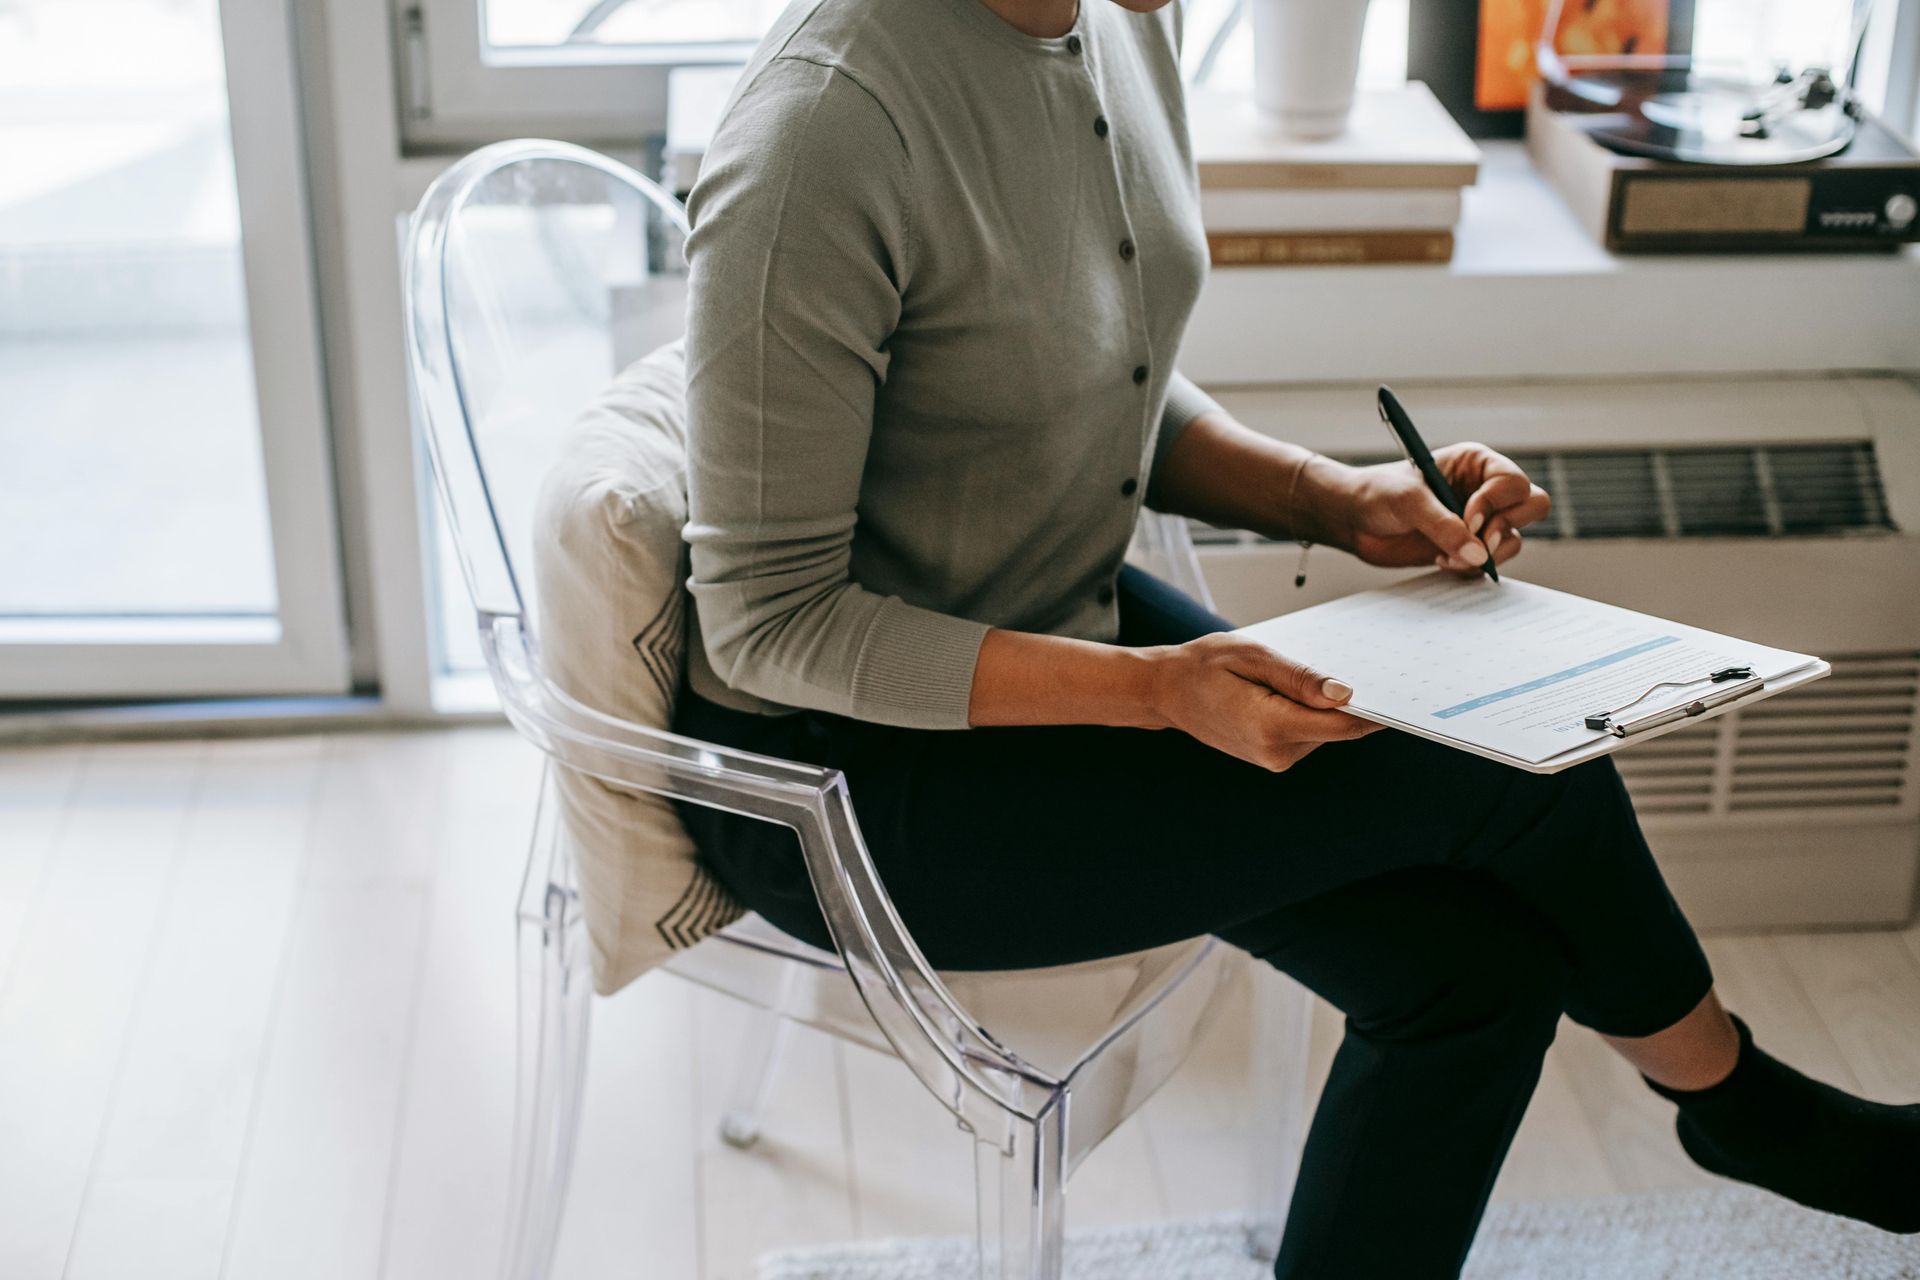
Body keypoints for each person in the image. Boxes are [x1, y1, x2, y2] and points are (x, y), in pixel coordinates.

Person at [669, 0, 1920, 1273]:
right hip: (841, 781)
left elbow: (1086, 373)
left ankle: (1739, 1111)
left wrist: (1336, 496)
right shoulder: (822, 132)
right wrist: (1160, 692)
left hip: (1056, 617)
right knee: (1526, 774)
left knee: (1474, 978)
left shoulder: (1111, 20)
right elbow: (771, 621)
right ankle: (1749, 1110)